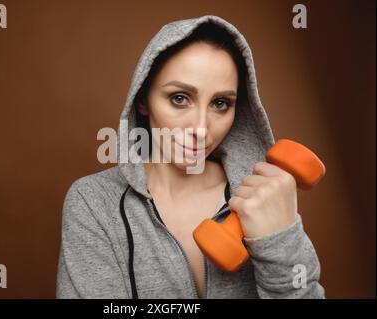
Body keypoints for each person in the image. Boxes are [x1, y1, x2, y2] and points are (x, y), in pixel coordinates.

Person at [56, 15, 325, 299]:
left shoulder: (263, 198)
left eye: (220, 104)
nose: (200, 128)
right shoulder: (94, 202)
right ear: (143, 100)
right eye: (180, 98)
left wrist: (279, 238)